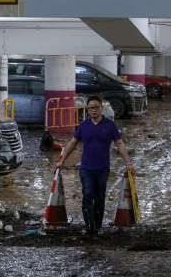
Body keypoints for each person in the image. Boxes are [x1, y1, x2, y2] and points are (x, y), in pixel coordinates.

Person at [56, 96, 135, 236]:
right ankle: (88, 226)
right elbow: (73, 143)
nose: (94, 110)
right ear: (87, 109)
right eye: (91, 107)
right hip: (86, 168)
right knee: (87, 194)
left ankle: (97, 227)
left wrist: (128, 162)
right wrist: (62, 161)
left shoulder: (109, 125)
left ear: (101, 108)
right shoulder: (83, 126)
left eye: (96, 107)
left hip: (103, 168)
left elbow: (120, 144)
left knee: (99, 198)